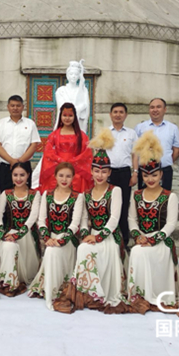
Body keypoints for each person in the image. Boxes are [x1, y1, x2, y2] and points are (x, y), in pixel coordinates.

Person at [53, 129, 129, 314]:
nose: (100, 175)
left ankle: (95, 294)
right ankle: (88, 292)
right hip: (91, 235)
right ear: (91, 171)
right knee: (83, 247)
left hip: (109, 236)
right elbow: (85, 219)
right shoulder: (86, 193)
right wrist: (87, 234)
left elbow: (114, 219)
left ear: (109, 172)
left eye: (104, 171)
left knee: (86, 248)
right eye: (96, 170)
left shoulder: (115, 190)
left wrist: (98, 237)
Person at [127, 130, 179, 313]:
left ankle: (158, 295)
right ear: (142, 176)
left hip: (161, 241)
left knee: (146, 253)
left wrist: (153, 239)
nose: (150, 179)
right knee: (136, 251)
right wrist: (137, 235)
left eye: (154, 175)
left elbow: (170, 224)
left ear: (161, 176)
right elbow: (131, 219)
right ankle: (139, 295)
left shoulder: (169, 196)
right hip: (142, 238)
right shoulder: (136, 195)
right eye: (146, 176)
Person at [28, 162, 85, 310]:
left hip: (68, 240)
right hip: (51, 238)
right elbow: (41, 220)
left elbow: (75, 224)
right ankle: (50, 290)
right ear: (55, 176)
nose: (64, 179)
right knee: (51, 250)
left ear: (73, 178)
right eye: (61, 175)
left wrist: (62, 240)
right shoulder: (47, 194)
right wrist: (47, 238)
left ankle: (54, 291)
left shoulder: (78, 196)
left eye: (68, 176)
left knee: (53, 251)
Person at [0, 162, 41, 297]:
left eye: (22, 175)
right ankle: (9, 281)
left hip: (28, 236)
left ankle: (18, 276)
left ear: (28, 175)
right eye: (15, 175)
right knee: (9, 246)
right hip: (9, 233)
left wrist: (18, 235)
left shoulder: (35, 194)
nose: (19, 178)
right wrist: (3, 234)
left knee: (27, 274)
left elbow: (32, 218)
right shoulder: (6, 193)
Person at [38, 103, 93, 194]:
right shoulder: (54, 135)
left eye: (70, 115)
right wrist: (61, 161)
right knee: (53, 180)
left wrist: (73, 162)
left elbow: (86, 153)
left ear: (75, 117)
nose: (67, 118)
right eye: (64, 115)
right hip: (57, 167)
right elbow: (48, 153)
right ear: (60, 116)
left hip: (76, 168)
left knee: (78, 179)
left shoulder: (82, 136)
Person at [0, 95, 41, 192]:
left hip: (24, 166)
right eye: (12, 105)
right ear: (8, 107)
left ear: (23, 107)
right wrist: (11, 161)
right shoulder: (1, 123)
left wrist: (20, 161)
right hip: (5, 166)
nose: (15, 108)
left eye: (18, 106)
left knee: (24, 195)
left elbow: (34, 144)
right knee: (5, 196)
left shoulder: (30, 124)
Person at [107, 102, 139, 249]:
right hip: (108, 174)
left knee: (124, 205)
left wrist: (135, 173)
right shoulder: (105, 133)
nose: (118, 114)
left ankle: (125, 239)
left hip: (125, 173)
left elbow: (135, 155)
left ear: (125, 115)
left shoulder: (131, 133)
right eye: (115, 112)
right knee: (108, 205)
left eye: (121, 112)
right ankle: (109, 237)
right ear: (110, 114)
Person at [134, 98, 179, 191]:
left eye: (158, 107)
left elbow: (176, 149)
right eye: (152, 107)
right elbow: (135, 150)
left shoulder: (173, 128)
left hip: (165, 170)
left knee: (164, 199)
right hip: (145, 171)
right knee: (144, 199)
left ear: (165, 109)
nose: (155, 110)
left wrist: (166, 160)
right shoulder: (140, 127)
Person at [55, 59, 90, 133]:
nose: (73, 76)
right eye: (71, 74)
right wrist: (78, 108)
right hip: (65, 122)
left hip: (79, 123)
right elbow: (62, 107)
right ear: (67, 75)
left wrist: (80, 108)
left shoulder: (83, 90)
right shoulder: (61, 90)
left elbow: (86, 106)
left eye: (76, 74)